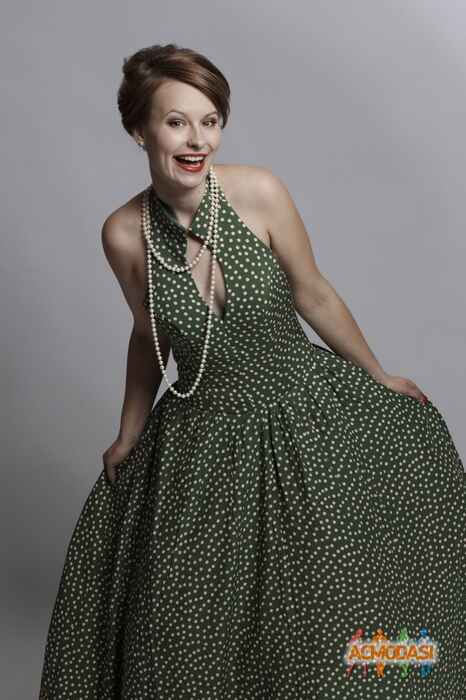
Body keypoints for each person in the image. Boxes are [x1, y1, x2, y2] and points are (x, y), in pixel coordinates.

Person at [38, 43, 466, 699]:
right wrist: (128, 433)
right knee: (196, 618)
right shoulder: (122, 233)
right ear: (140, 130)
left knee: (329, 595)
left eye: (210, 121)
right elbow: (148, 334)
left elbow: (312, 292)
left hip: (301, 411)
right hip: (204, 436)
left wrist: (378, 376)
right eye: (177, 121)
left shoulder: (259, 192)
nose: (197, 139)